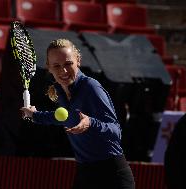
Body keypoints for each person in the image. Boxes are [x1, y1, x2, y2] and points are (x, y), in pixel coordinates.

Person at [21, 38, 135, 189]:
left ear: (78, 61)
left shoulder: (91, 87)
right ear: (49, 67)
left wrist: (91, 123)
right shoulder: (60, 90)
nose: (63, 71)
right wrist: (35, 115)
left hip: (112, 176)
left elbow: (116, 131)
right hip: (85, 173)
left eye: (68, 64)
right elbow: (65, 117)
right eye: (57, 66)